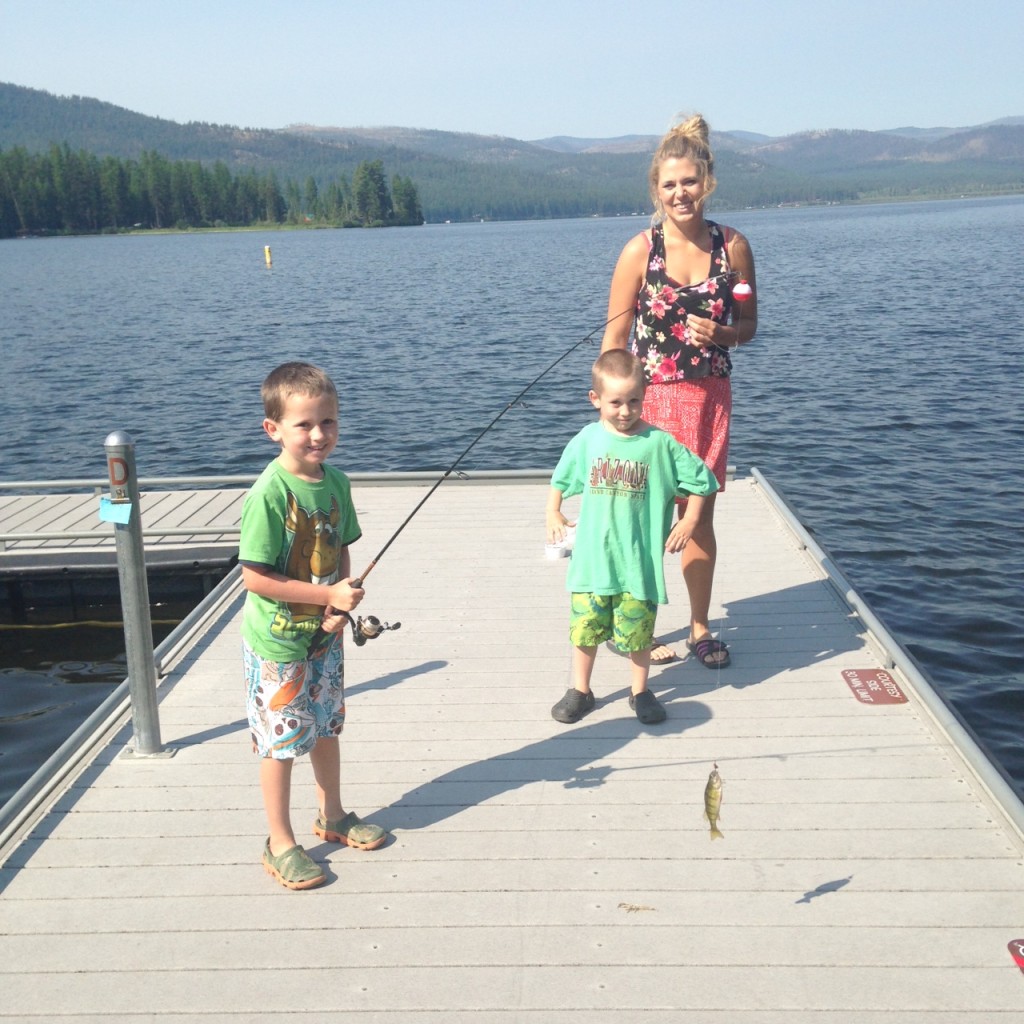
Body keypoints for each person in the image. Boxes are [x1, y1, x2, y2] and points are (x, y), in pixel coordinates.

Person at [601, 113, 758, 669]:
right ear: (656, 189)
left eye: (689, 181)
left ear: (707, 182)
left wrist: (725, 333)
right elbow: (615, 337)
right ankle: (631, 626)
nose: (679, 193)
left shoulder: (733, 247)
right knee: (642, 517)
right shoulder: (640, 251)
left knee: (699, 515)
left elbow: (750, 325)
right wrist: (608, 408)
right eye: (669, 184)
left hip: (710, 398)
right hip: (652, 403)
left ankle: (699, 627)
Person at [239, 361, 387, 890]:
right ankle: (278, 841)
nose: (318, 434)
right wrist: (326, 594)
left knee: (326, 725)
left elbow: (344, 549)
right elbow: (254, 578)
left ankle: (333, 815)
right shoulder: (270, 493)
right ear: (273, 429)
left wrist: (339, 608)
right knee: (281, 742)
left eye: (328, 421)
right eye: (304, 424)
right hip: (278, 643)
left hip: (324, 638)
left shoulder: (337, 484)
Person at [546, 350, 719, 725]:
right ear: (595, 400)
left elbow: (704, 480)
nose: (625, 411)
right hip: (594, 559)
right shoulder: (588, 439)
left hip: (638, 562)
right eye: (615, 403)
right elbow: (560, 479)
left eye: (634, 401)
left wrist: (689, 520)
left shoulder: (660, 443)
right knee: (585, 629)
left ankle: (640, 691)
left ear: (645, 396)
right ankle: (581, 689)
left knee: (639, 634)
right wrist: (552, 511)